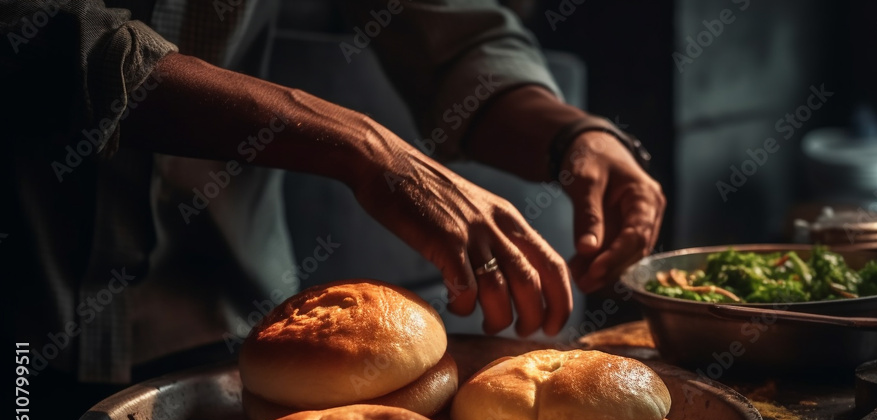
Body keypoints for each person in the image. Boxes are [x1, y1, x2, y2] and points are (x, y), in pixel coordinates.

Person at [2, 0, 664, 384]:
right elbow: (41, 35)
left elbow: (447, 32)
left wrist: (573, 136)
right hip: (29, 326)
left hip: (244, 335)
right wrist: (362, 147)